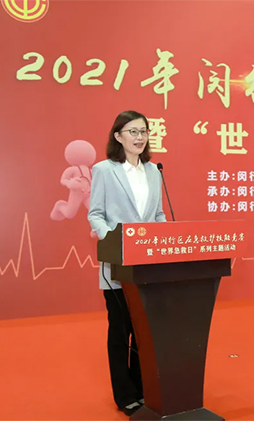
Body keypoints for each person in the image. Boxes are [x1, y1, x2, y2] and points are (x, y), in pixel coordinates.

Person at [87, 110, 166, 416]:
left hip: (147, 268)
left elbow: (157, 214)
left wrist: (164, 240)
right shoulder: (104, 170)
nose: (139, 137)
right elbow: (96, 214)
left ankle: (143, 389)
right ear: (118, 136)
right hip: (118, 268)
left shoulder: (154, 171)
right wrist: (115, 242)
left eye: (143, 131)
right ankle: (124, 395)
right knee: (121, 332)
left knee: (144, 332)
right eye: (133, 131)